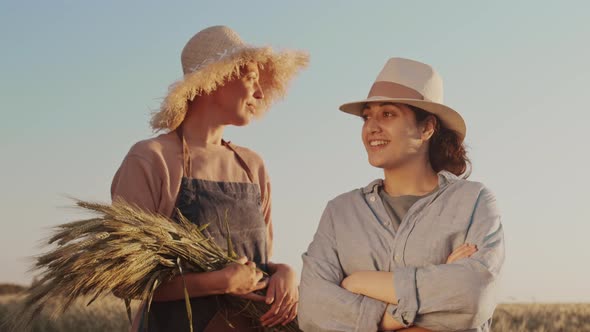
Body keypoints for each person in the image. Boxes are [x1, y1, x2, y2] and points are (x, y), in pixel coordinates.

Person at [111, 25, 308, 331]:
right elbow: (125, 281)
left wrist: (284, 273)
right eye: (251, 79)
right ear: (216, 79)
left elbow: (258, 263)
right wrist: (219, 282)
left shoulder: (252, 166)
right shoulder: (152, 159)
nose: (258, 93)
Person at [298, 58, 504, 332]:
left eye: (388, 114)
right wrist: (397, 317)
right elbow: (313, 310)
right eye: (367, 116)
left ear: (427, 128)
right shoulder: (340, 212)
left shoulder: (473, 201)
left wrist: (359, 283)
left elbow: (474, 295)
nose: (371, 127)